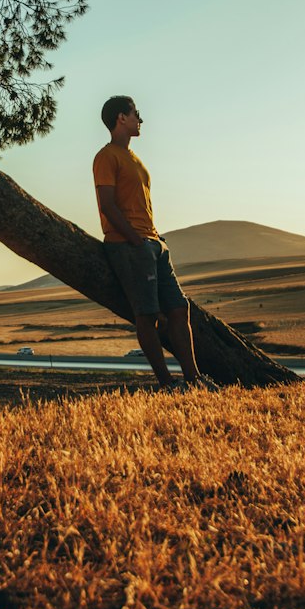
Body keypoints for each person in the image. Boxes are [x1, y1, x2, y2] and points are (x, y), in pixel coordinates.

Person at [93, 95, 212, 389]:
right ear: (121, 118)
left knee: (178, 308)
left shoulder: (134, 159)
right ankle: (166, 383)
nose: (140, 120)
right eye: (136, 114)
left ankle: (194, 379)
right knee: (146, 316)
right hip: (129, 245)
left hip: (153, 243)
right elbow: (107, 204)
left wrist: (155, 238)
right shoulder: (106, 157)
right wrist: (135, 240)